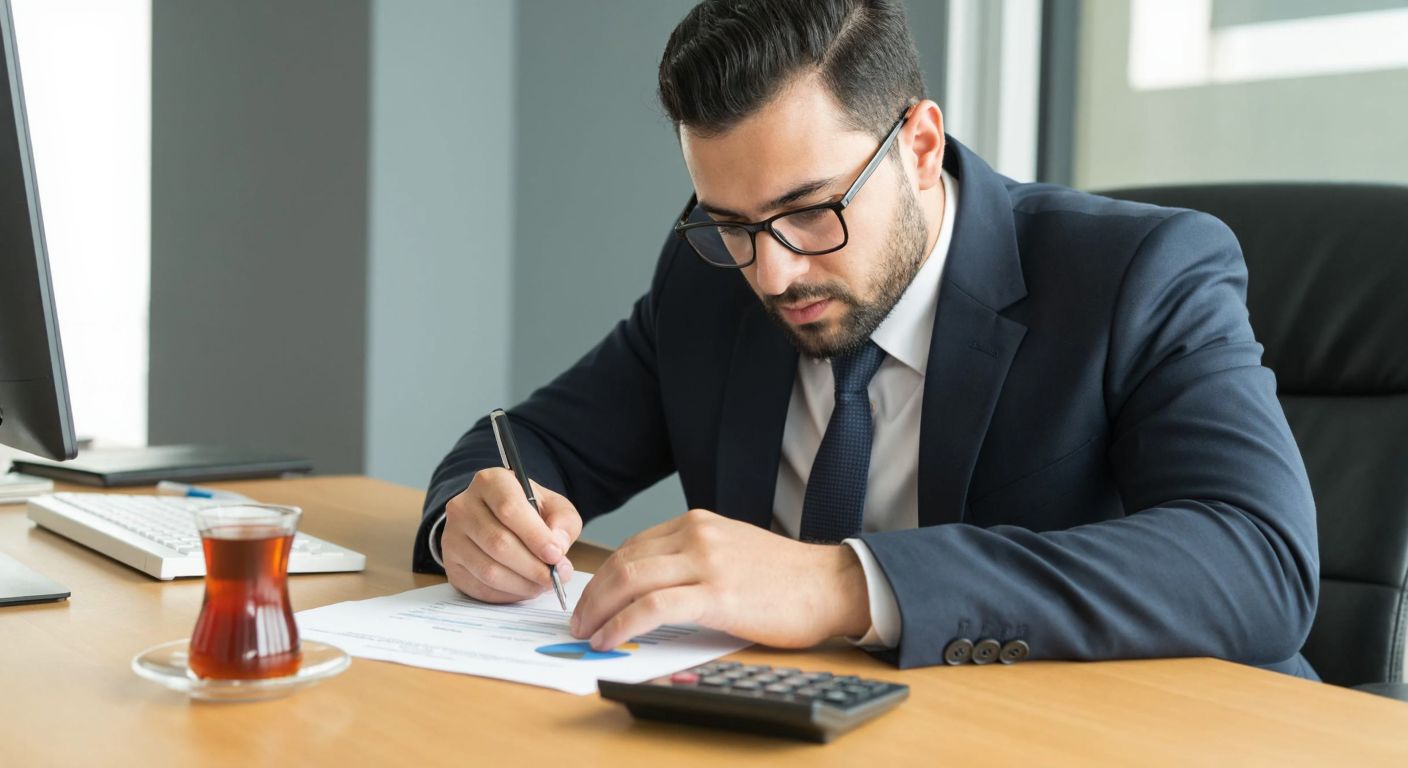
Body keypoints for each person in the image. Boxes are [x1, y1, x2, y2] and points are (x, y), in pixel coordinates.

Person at [412, 0, 1319, 678]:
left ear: (920, 146)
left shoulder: (1140, 274)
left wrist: (845, 585)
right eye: (729, 221)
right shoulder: (712, 278)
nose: (771, 274)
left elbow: (1258, 559)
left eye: (809, 212)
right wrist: (473, 516)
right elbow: (525, 444)